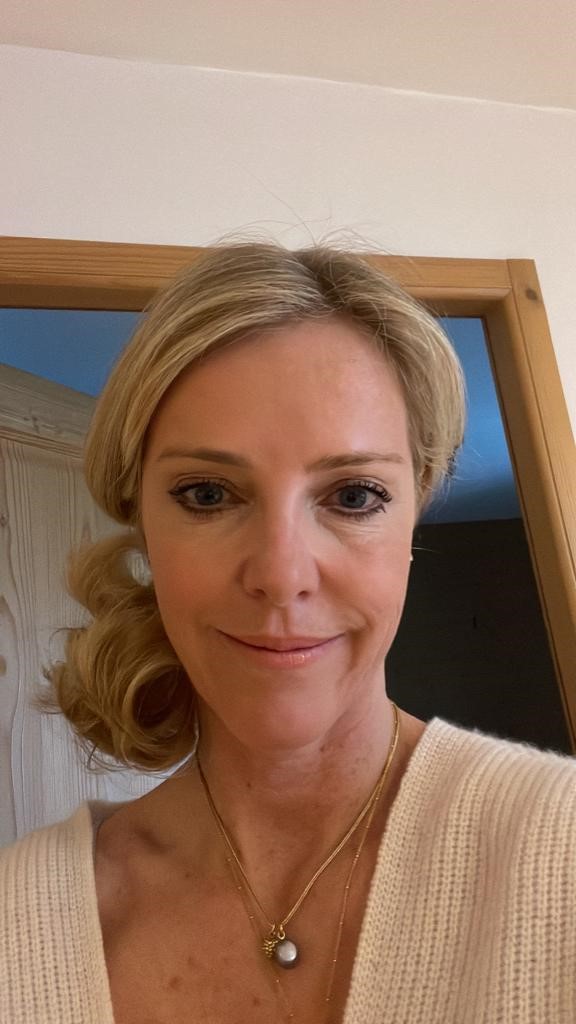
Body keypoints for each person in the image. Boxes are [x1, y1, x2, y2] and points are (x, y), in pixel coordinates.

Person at [1, 242, 576, 1024]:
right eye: (208, 494)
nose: (281, 573)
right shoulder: (15, 921)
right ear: (142, 521)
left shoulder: (559, 849)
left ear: (414, 515)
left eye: (354, 495)